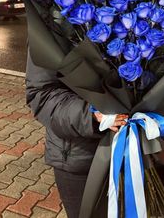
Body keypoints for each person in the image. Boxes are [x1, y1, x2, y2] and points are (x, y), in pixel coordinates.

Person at [25, 47, 128, 218]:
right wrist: (92, 115)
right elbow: (41, 94)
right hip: (80, 156)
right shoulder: (53, 23)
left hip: (135, 152)